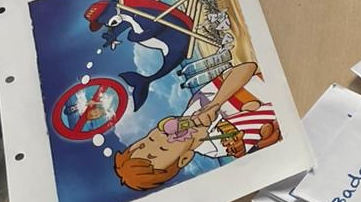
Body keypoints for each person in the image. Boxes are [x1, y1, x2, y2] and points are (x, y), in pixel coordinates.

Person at [112, 61, 279, 190]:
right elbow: (266, 116)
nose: (161, 138)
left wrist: (215, 103)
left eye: (148, 140)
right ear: (185, 158)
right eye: (163, 149)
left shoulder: (196, 104)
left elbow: (248, 68)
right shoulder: (221, 145)